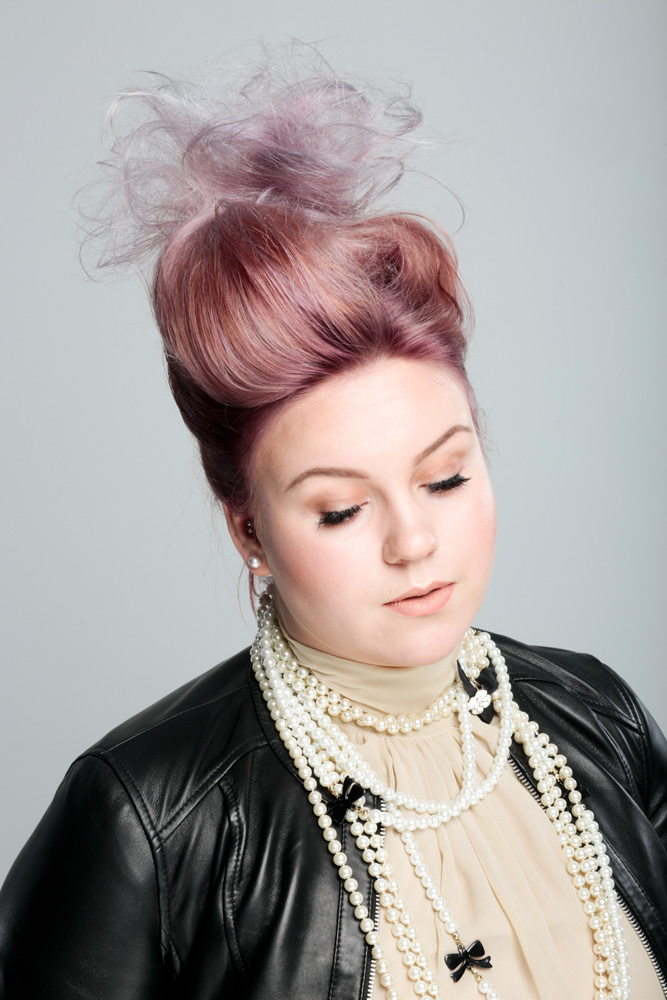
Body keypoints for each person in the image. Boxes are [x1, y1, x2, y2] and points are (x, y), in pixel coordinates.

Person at [0, 50, 665, 1000]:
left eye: (445, 477)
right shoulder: (147, 817)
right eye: (342, 509)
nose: (412, 542)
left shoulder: (598, 715)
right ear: (249, 532)